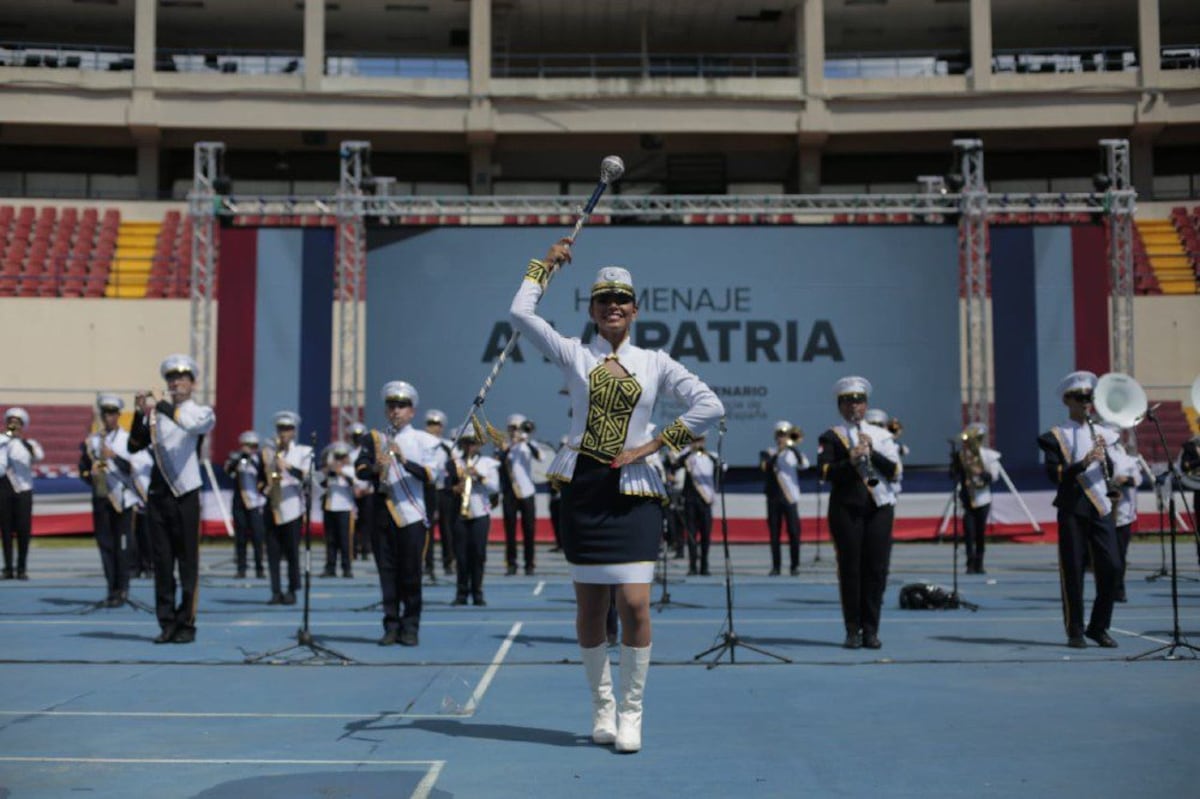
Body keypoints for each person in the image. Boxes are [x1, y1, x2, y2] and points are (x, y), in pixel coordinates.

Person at [511, 240, 723, 753]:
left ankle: (632, 712)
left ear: (635, 308)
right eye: (603, 298)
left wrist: (654, 443)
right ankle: (601, 706)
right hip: (585, 487)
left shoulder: (654, 362)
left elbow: (709, 405)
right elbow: (519, 312)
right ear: (591, 308)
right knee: (590, 608)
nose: (613, 306)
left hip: (635, 493)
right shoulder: (575, 354)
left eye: (622, 299)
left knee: (634, 604)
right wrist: (545, 266)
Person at [127, 354, 215, 644]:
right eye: (171, 378)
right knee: (162, 562)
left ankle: (186, 623)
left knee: (187, 561)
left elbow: (192, 427)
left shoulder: (200, 412)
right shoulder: (155, 415)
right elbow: (135, 445)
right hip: (159, 495)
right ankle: (166, 622)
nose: (176, 383)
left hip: (186, 494)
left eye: (182, 378)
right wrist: (141, 413)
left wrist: (161, 406)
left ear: (192, 383)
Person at [1036, 370, 1121, 649]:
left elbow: (1112, 468)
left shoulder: (1101, 434)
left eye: (1090, 398)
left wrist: (1113, 475)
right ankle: (1075, 629)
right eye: (1081, 398)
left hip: (1100, 505)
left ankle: (1099, 626)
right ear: (1068, 400)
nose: (1087, 403)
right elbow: (1055, 474)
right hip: (1073, 506)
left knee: (1112, 567)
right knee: (1072, 569)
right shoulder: (1055, 436)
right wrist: (1083, 463)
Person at [354, 380, 443, 647]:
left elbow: (430, 475)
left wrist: (403, 460)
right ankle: (390, 625)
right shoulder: (374, 438)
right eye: (392, 405)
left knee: (411, 574)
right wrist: (375, 468)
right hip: (382, 513)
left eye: (402, 406)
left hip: (412, 515)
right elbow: (359, 469)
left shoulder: (425, 440)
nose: (396, 411)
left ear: (412, 411)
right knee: (387, 573)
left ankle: (411, 626)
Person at [817, 377, 901, 650]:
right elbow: (824, 472)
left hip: (879, 508)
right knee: (850, 569)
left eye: (859, 402)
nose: (854, 407)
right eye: (848, 402)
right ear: (840, 406)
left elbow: (895, 471)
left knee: (876, 569)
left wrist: (872, 453)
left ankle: (871, 630)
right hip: (846, 508)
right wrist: (850, 461)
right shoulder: (832, 436)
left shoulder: (882, 435)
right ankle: (852, 630)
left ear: (866, 405)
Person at [79, 394, 138, 605]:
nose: (108, 417)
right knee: (105, 545)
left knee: (122, 545)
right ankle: (111, 589)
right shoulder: (93, 441)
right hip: (102, 496)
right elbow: (83, 469)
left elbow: (133, 468)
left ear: (119, 415)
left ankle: (123, 589)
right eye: (105, 413)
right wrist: (91, 474)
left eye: (112, 413)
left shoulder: (127, 439)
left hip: (121, 499)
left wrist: (113, 456)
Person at [262, 411, 312, 606]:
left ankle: (292, 590)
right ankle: (275, 591)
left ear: (294, 431)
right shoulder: (269, 453)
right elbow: (260, 478)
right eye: (280, 429)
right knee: (272, 553)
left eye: (287, 429)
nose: (283, 433)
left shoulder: (303, 451)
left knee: (292, 553)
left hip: (292, 509)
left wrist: (288, 467)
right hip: (272, 506)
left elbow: (308, 477)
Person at [451, 427, 500, 606]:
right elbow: (444, 484)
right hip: (460, 514)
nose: (471, 446)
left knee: (478, 554)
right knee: (461, 555)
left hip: (480, 513)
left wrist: (479, 477)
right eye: (467, 442)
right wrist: (455, 488)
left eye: (474, 442)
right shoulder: (455, 463)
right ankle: (461, 593)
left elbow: (495, 487)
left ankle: (477, 592)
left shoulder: (487, 463)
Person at [950, 422, 1001, 575]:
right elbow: (953, 476)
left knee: (980, 533)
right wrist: (955, 464)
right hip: (968, 499)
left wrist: (978, 471)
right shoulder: (962, 456)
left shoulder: (988, 455)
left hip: (983, 498)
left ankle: (979, 563)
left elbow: (993, 477)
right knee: (968, 533)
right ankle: (970, 564)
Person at [1, 407, 43, 580]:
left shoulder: (29, 444)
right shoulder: (1, 441)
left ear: (23, 426)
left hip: (23, 489)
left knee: (24, 530)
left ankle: (22, 567)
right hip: (4, 487)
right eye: (11, 422)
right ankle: (8, 567)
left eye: (17, 423)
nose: (14, 425)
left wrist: (20, 442)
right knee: (5, 530)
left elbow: (38, 457)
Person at [760, 421, 806, 577]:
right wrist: (778, 453)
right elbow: (765, 468)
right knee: (774, 534)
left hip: (790, 498)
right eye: (780, 435)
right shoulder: (769, 452)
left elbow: (804, 465)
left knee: (794, 532)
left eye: (785, 435)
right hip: (773, 498)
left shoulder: (793, 453)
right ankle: (776, 566)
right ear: (775, 436)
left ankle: (794, 566)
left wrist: (792, 448)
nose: (782, 438)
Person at [499, 413, 540, 575]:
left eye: (518, 428)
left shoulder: (529, 445)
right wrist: (511, 445)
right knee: (510, 531)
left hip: (527, 492)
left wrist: (525, 441)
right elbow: (499, 459)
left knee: (529, 530)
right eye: (513, 428)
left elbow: (540, 457)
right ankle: (511, 563)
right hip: (510, 493)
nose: (516, 431)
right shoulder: (503, 445)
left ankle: (529, 564)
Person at [223, 430, 266, 580]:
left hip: (256, 502)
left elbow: (267, 477)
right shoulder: (236, 458)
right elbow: (228, 471)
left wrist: (252, 459)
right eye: (248, 445)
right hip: (240, 502)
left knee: (257, 537)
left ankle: (260, 568)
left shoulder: (260, 459)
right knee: (240, 537)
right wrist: (240, 457)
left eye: (253, 445)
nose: (251, 448)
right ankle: (241, 568)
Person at [422, 408, 457, 578]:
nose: (433, 427)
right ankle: (427, 564)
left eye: (437, 424)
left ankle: (448, 562)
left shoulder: (448, 446)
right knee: (427, 529)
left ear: (442, 427)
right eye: (430, 424)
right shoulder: (420, 443)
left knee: (447, 529)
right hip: (427, 490)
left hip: (444, 491)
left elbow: (456, 466)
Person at [1109, 437, 1144, 603]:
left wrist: (1125, 480)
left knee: (1120, 555)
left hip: (1123, 514)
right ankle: (1106, 588)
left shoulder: (1128, 459)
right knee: (1104, 555)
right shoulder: (1099, 455)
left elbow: (1138, 480)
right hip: (1103, 511)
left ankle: (1118, 588)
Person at [680, 436, 718, 576]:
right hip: (690, 501)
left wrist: (707, 454)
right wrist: (689, 451)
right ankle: (692, 566)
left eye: (700, 440)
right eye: (695, 441)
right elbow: (675, 464)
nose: (698, 443)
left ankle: (704, 566)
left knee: (706, 535)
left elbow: (720, 471)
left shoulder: (711, 457)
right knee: (691, 535)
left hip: (705, 502)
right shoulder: (688, 457)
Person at [319, 441, 355, 579]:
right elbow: (321, 483)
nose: (339, 459)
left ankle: (347, 568)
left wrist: (342, 473)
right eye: (337, 456)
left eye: (342, 456)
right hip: (330, 507)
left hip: (345, 508)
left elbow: (355, 485)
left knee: (345, 540)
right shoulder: (330, 469)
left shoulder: (350, 470)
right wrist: (329, 471)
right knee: (330, 539)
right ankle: (330, 567)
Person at [348, 422, 373, 561]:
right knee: (354, 523)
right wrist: (355, 488)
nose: (357, 439)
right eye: (355, 436)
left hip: (367, 491)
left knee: (366, 521)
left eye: (359, 436)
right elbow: (349, 473)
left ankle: (366, 548)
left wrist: (367, 488)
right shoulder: (349, 454)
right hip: (354, 491)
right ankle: (354, 549)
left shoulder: (368, 452)